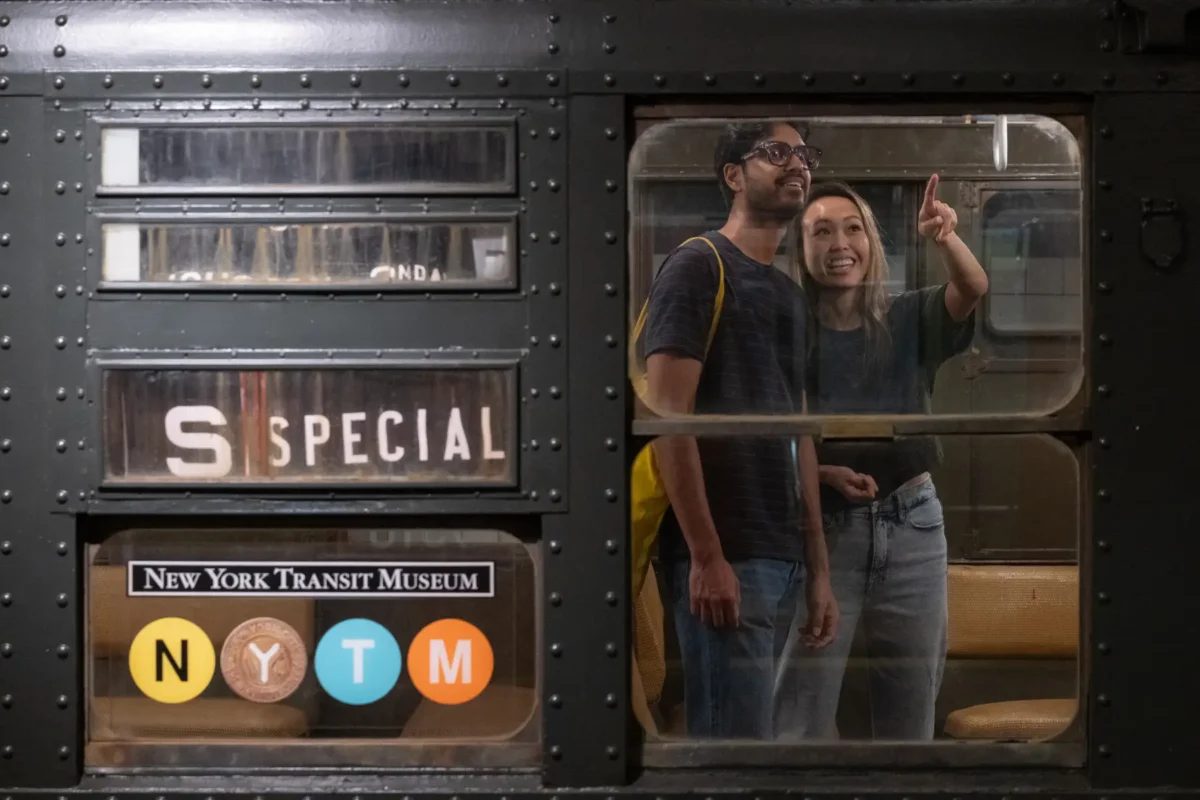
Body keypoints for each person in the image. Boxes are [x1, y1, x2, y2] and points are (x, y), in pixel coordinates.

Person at [640, 121, 838, 739]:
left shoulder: (787, 293)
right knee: (734, 751)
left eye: (804, 154)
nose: (796, 164)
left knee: (764, 750)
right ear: (733, 175)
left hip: (780, 553)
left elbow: (798, 431)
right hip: (725, 552)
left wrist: (819, 569)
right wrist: (704, 555)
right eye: (775, 153)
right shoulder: (698, 266)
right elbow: (667, 417)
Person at [772, 176, 989, 740]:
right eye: (821, 232)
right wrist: (817, 473)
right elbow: (770, 440)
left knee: (910, 708)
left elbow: (971, 286)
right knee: (802, 707)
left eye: (853, 229)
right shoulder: (787, 333)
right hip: (823, 527)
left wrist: (944, 238)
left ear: (870, 243)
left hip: (913, 521)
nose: (839, 243)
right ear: (802, 250)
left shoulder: (909, 316)